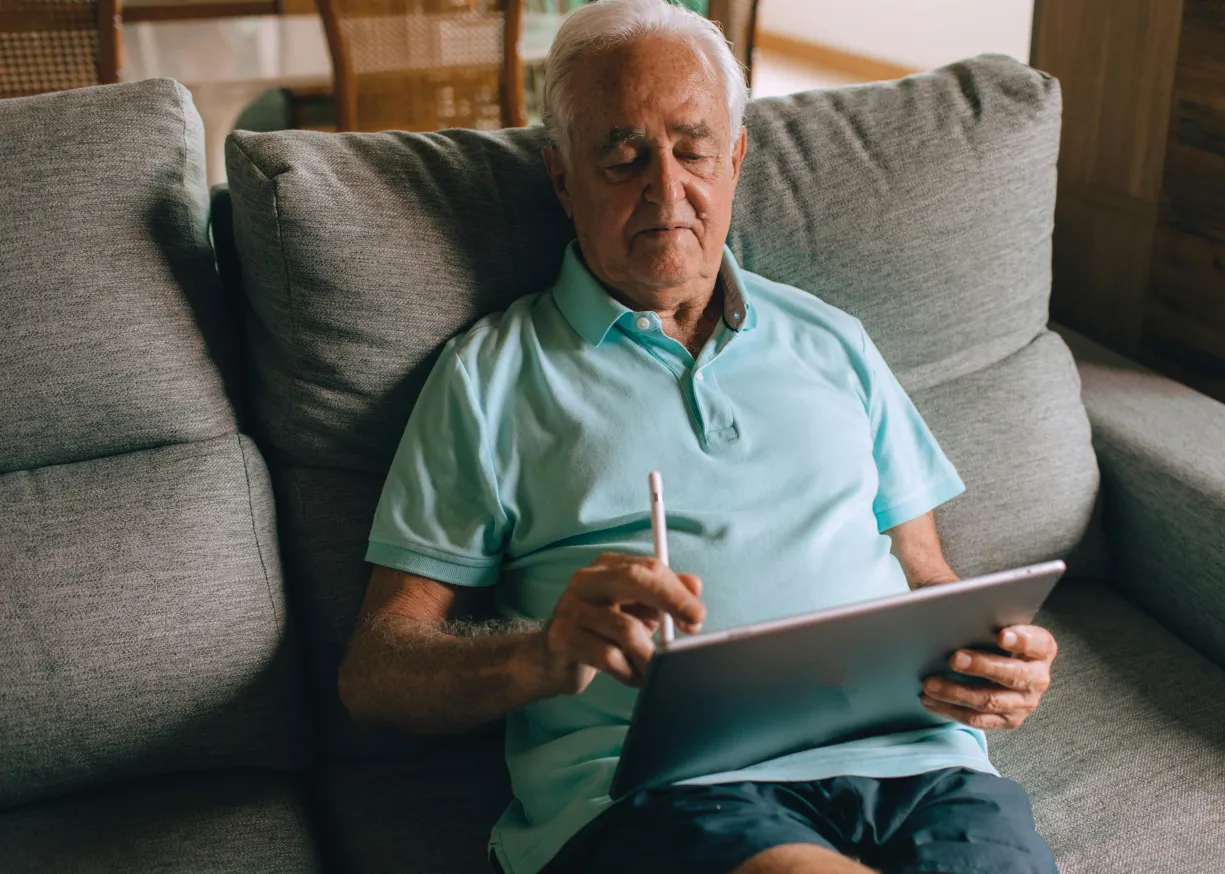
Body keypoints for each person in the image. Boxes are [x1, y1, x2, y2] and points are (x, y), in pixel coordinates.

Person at [339, 1, 1060, 872]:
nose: (667, 190)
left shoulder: (832, 339)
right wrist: (543, 653)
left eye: (693, 149)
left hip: (920, 769)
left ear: (736, 161)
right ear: (564, 181)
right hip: (663, 793)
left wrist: (992, 663)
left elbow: (925, 572)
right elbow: (375, 672)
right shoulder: (488, 376)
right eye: (623, 156)